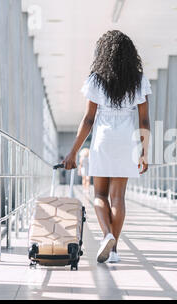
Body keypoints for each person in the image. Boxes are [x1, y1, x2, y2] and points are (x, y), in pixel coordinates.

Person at [63, 30, 151, 263]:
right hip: (127, 141)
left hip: (103, 139)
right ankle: (113, 251)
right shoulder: (139, 80)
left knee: (99, 194)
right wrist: (144, 152)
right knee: (118, 197)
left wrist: (73, 151)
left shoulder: (95, 79)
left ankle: (107, 235)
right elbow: (144, 120)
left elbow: (88, 120)